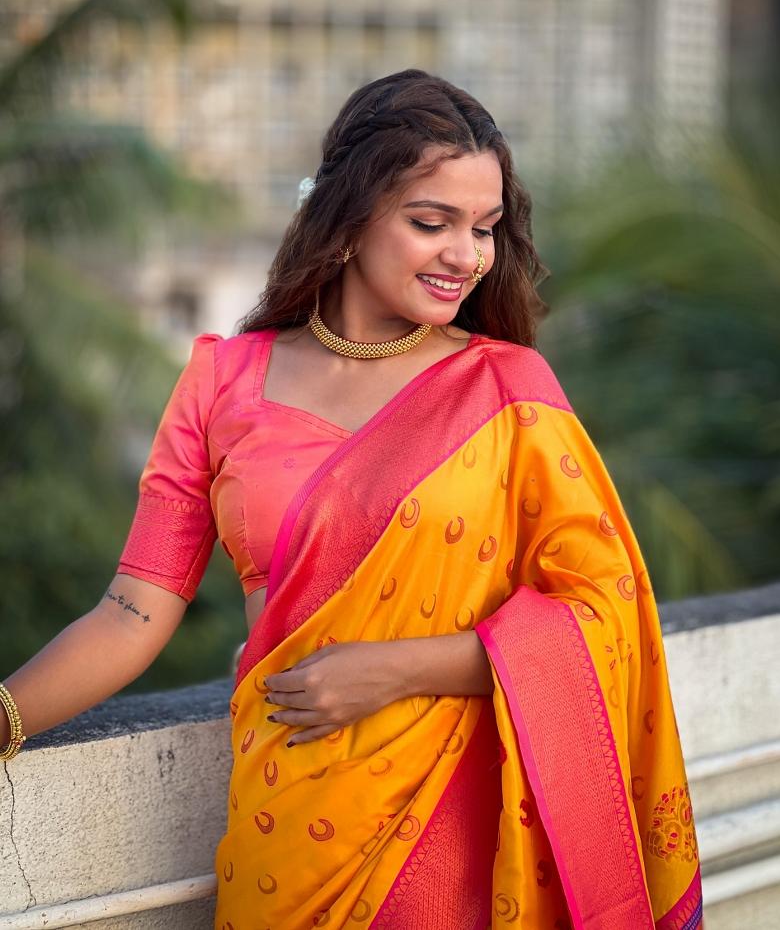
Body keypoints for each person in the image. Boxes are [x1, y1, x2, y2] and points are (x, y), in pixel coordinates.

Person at [1, 68, 702, 929]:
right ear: (348, 216)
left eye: (483, 229)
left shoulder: (507, 391)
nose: (465, 256)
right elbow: (129, 613)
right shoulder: (223, 381)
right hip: (285, 824)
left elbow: (606, 616)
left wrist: (393, 669)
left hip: (454, 837)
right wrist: (5, 715)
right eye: (430, 223)